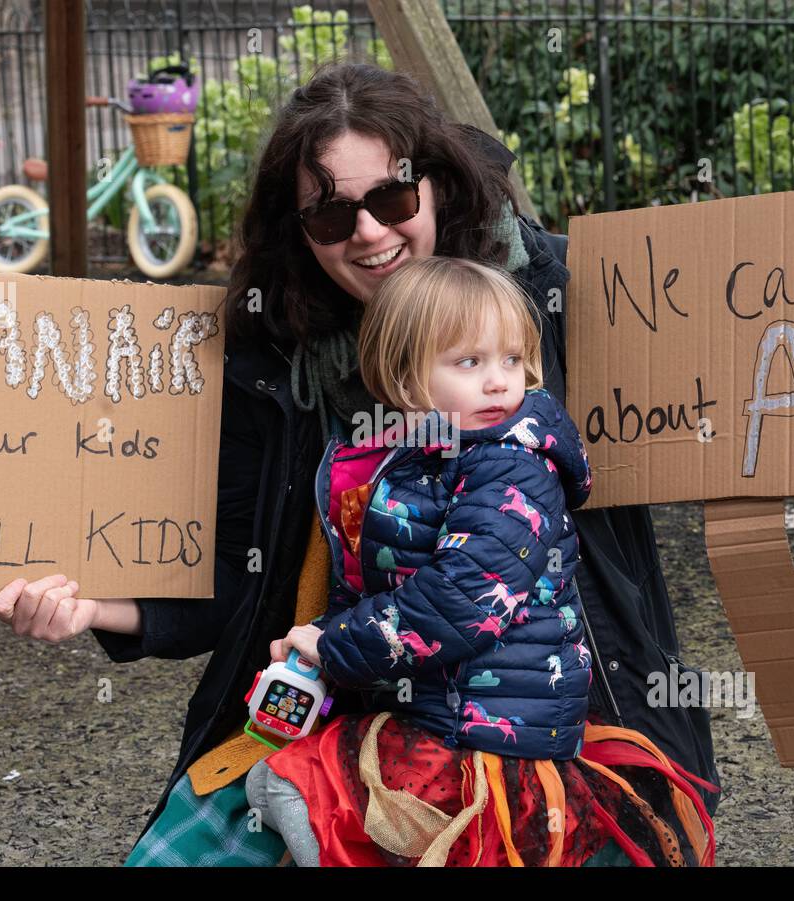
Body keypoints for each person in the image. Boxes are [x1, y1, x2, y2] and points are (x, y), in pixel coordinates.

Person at [0, 61, 794, 866]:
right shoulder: (275, 360)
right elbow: (228, 580)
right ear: (300, 233)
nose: (369, 231)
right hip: (341, 718)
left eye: (390, 194)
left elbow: (748, 397)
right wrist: (94, 608)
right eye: (331, 214)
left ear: (437, 182)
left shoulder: (558, 295)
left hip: (555, 724)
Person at [243, 254, 717, 866]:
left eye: (512, 360)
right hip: (442, 708)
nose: (499, 381)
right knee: (303, 790)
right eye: (471, 362)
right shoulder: (413, 459)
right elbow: (378, 582)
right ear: (404, 376)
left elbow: (460, 599)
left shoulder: (511, 467)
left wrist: (334, 644)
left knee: (300, 789)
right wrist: (322, 655)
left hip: (493, 732)